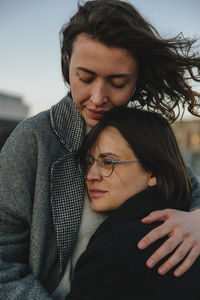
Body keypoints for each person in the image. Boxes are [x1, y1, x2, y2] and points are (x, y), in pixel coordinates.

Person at [0, 0, 200, 299]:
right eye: (85, 77)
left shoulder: (140, 134)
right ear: (67, 62)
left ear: (137, 77)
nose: (98, 97)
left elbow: (187, 187)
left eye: (118, 82)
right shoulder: (33, 140)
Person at [67, 106, 200, 300]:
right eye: (89, 161)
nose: (90, 175)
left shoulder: (110, 255)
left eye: (108, 163)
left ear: (153, 172)